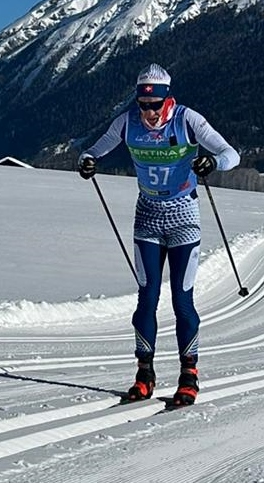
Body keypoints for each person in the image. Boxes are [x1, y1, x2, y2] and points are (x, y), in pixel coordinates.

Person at [77, 63, 240, 405]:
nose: (149, 113)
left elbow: (231, 154)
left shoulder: (187, 119)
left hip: (184, 215)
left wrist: (213, 163)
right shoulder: (127, 122)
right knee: (146, 299)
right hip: (147, 216)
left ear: (167, 99)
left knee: (182, 301)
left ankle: (189, 376)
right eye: (143, 105)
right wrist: (87, 160)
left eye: (155, 105)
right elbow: (95, 148)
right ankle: (144, 375)